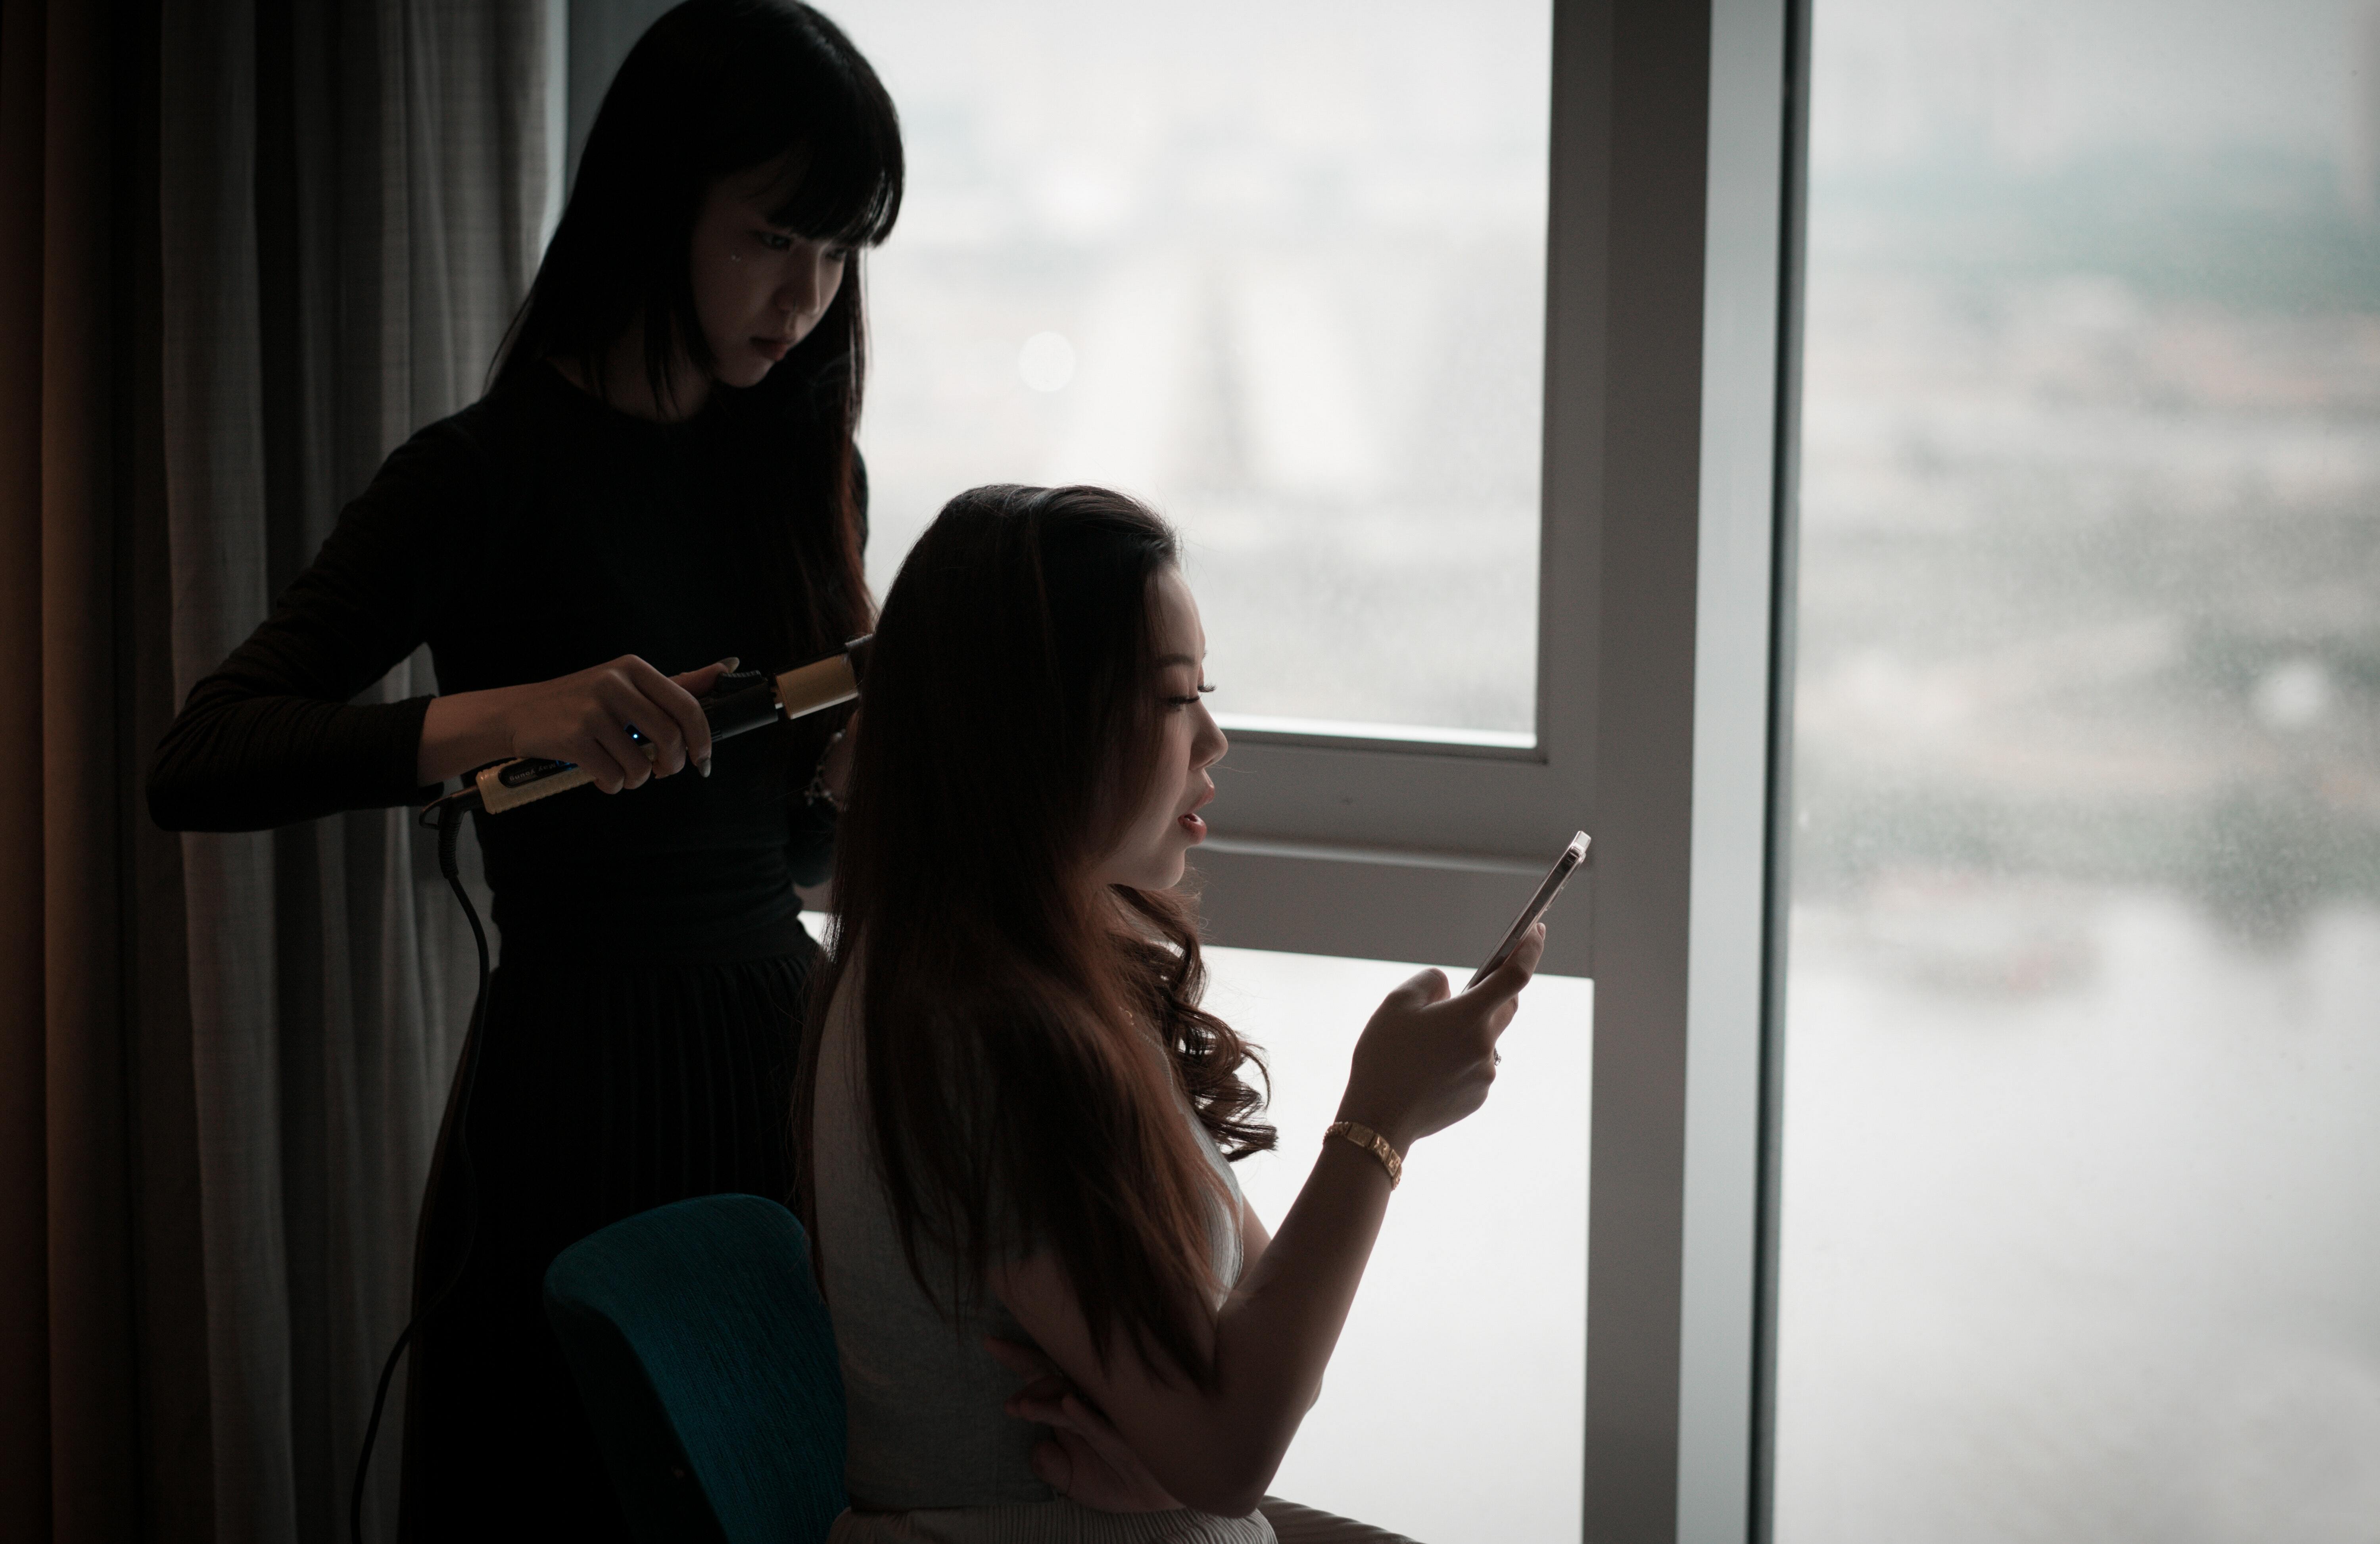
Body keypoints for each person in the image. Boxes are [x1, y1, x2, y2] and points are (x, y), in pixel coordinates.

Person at [145, 2, 902, 1533]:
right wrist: (505, 717)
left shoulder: (807, 474)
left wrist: (844, 792)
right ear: (654, 202)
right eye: (773, 239)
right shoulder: (477, 478)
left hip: (784, 1078)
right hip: (574, 1093)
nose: (806, 300)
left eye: (841, 255)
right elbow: (201, 755)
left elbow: (789, 866)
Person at [798, 485, 1546, 1542]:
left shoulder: (1053, 969)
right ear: (1036, 722)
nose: (1216, 739)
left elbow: (1248, 1352)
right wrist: (1379, 1122)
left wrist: (1176, 1457)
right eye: (1173, 697)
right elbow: (1237, 1440)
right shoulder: (981, 1030)